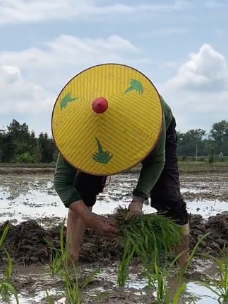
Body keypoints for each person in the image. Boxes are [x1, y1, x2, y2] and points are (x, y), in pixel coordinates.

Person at [52, 64, 189, 268]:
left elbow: (156, 161)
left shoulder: (150, 120)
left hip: (152, 125)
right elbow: (63, 184)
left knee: (167, 197)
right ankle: (70, 259)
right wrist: (89, 218)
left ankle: (182, 268)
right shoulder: (77, 133)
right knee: (84, 189)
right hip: (95, 136)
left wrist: (138, 200)